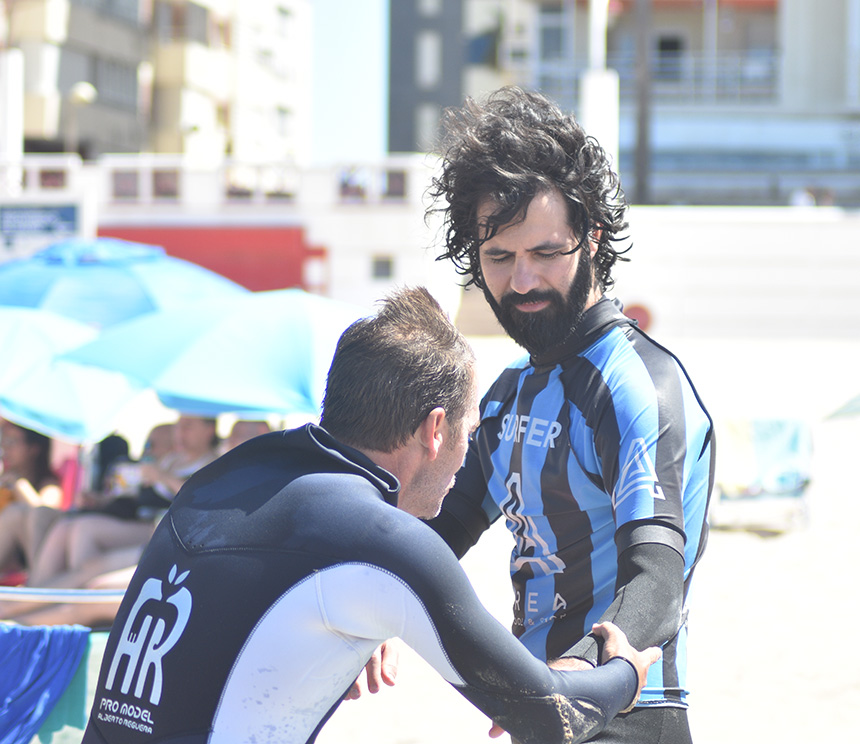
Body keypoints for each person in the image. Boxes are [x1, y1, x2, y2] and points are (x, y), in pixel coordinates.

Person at [81, 287, 661, 744]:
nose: (468, 455)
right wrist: (624, 673)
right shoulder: (382, 541)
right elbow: (549, 715)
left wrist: (363, 616)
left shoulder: (225, 477)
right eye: (469, 431)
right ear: (436, 429)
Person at [426, 87, 715, 744]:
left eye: (545, 253)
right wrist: (362, 607)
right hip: (541, 709)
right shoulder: (506, 394)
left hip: (626, 710)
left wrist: (574, 671)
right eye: (499, 257)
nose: (522, 281)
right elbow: (435, 534)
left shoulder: (637, 386)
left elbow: (657, 576)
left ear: (592, 239)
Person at [0, 421, 63, 580]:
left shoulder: (50, 485)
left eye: (12, 441)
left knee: (16, 513)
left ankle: (38, 581)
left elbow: (42, 515)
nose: (5, 448)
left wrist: (19, 484)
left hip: (36, 563)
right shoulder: (4, 481)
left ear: (33, 449)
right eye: (4, 441)